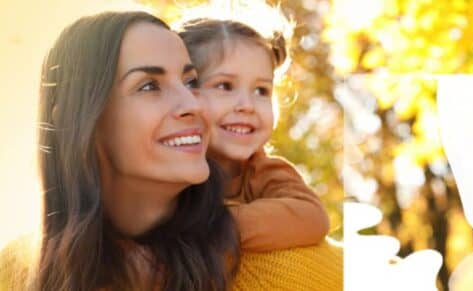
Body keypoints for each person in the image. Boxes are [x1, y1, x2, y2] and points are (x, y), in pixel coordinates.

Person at [0, 11, 239, 291]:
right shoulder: (11, 274)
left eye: (191, 82)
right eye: (149, 86)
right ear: (75, 121)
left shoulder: (279, 264)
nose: (196, 105)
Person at [177, 13, 330, 252]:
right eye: (225, 86)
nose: (247, 105)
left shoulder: (263, 171)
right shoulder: (167, 166)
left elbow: (312, 217)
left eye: (261, 90)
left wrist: (214, 228)